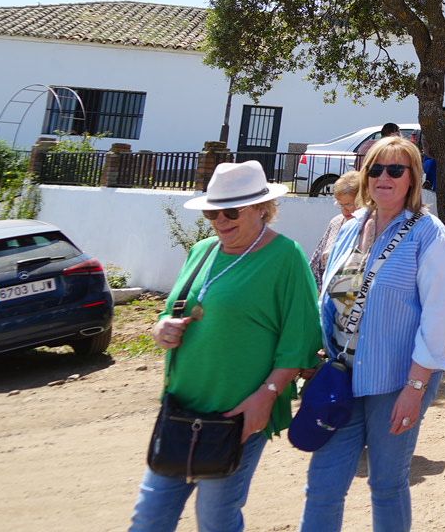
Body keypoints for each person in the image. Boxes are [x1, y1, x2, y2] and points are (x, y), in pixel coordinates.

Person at [129, 160, 323, 532]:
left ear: (261, 208)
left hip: (238, 417)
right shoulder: (202, 251)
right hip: (180, 410)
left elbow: (299, 339)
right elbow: (171, 312)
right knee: (149, 518)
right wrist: (162, 330)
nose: (220, 221)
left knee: (216, 520)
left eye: (230, 211)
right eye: (212, 213)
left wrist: (266, 396)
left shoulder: (285, 257)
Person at [303, 135, 445, 532]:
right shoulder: (348, 227)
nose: (383, 177)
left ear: (412, 179)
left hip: (396, 381)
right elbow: (326, 291)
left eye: (395, 169)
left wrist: (416, 388)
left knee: (386, 484)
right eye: (375, 168)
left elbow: (438, 318)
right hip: (340, 377)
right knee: (323, 484)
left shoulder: (429, 234)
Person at [309, 171, 362, 286]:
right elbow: (314, 267)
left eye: (348, 204)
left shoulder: (370, 227)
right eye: (340, 205)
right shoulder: (336, 222)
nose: (344, 210)